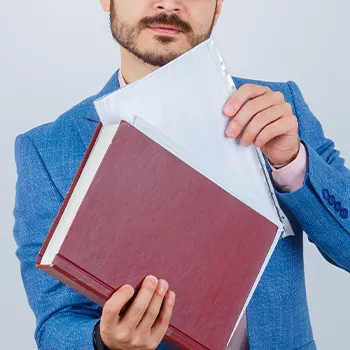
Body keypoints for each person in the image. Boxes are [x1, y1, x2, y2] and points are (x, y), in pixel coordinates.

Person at [13, 0, 350, 349]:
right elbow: (55, 323)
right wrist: (104, 342)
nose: (168, 3)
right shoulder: (48, 150)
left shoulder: (280, 109)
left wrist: (293, 162)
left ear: (218, 5)